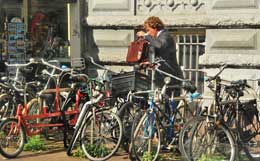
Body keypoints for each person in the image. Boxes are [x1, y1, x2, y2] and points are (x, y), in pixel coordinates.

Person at [136, 16, 184, 91]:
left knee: (169, 101)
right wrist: (149, 63)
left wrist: (146, 36)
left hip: (171, 77)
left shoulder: (165, 35)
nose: (148, 32)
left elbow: (160, 45)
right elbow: (161, 55)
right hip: (162, 77)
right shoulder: (156, 39)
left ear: (155, 27)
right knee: (158, 100)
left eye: (148, 30)